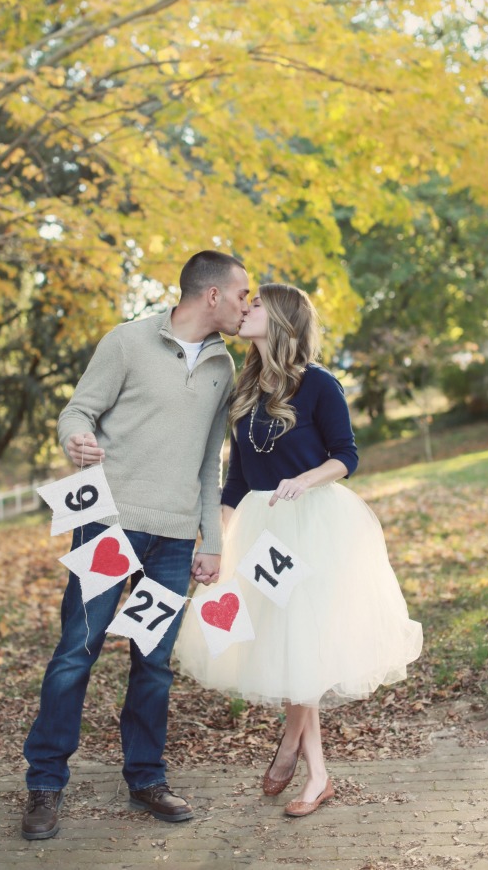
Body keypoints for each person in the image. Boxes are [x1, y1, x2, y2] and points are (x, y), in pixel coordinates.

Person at [22, 251, 250, 838]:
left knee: (153, 662)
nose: (246, 305)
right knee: (78, 649)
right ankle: (44, 784)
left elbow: (211, 460)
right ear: (212, 295)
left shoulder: (224, 367)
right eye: (241, 293)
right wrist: (76, 440)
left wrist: (211, 539)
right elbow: (77, 412)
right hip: (107, 525)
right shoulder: (126, 342)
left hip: (173, 541)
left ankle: (147, 778)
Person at [175, 283, 423, 818]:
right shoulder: (244, 389)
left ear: (283, 319)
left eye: (256, 305)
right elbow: (236, 480)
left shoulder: (318, 384)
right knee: (286, 644)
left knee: (301, 641)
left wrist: (304, 480)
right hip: (260, 533)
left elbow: (346, 455)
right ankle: (311, 768)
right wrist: (216, 543)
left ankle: (302, 760)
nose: (245, 309)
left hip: (313, 525)